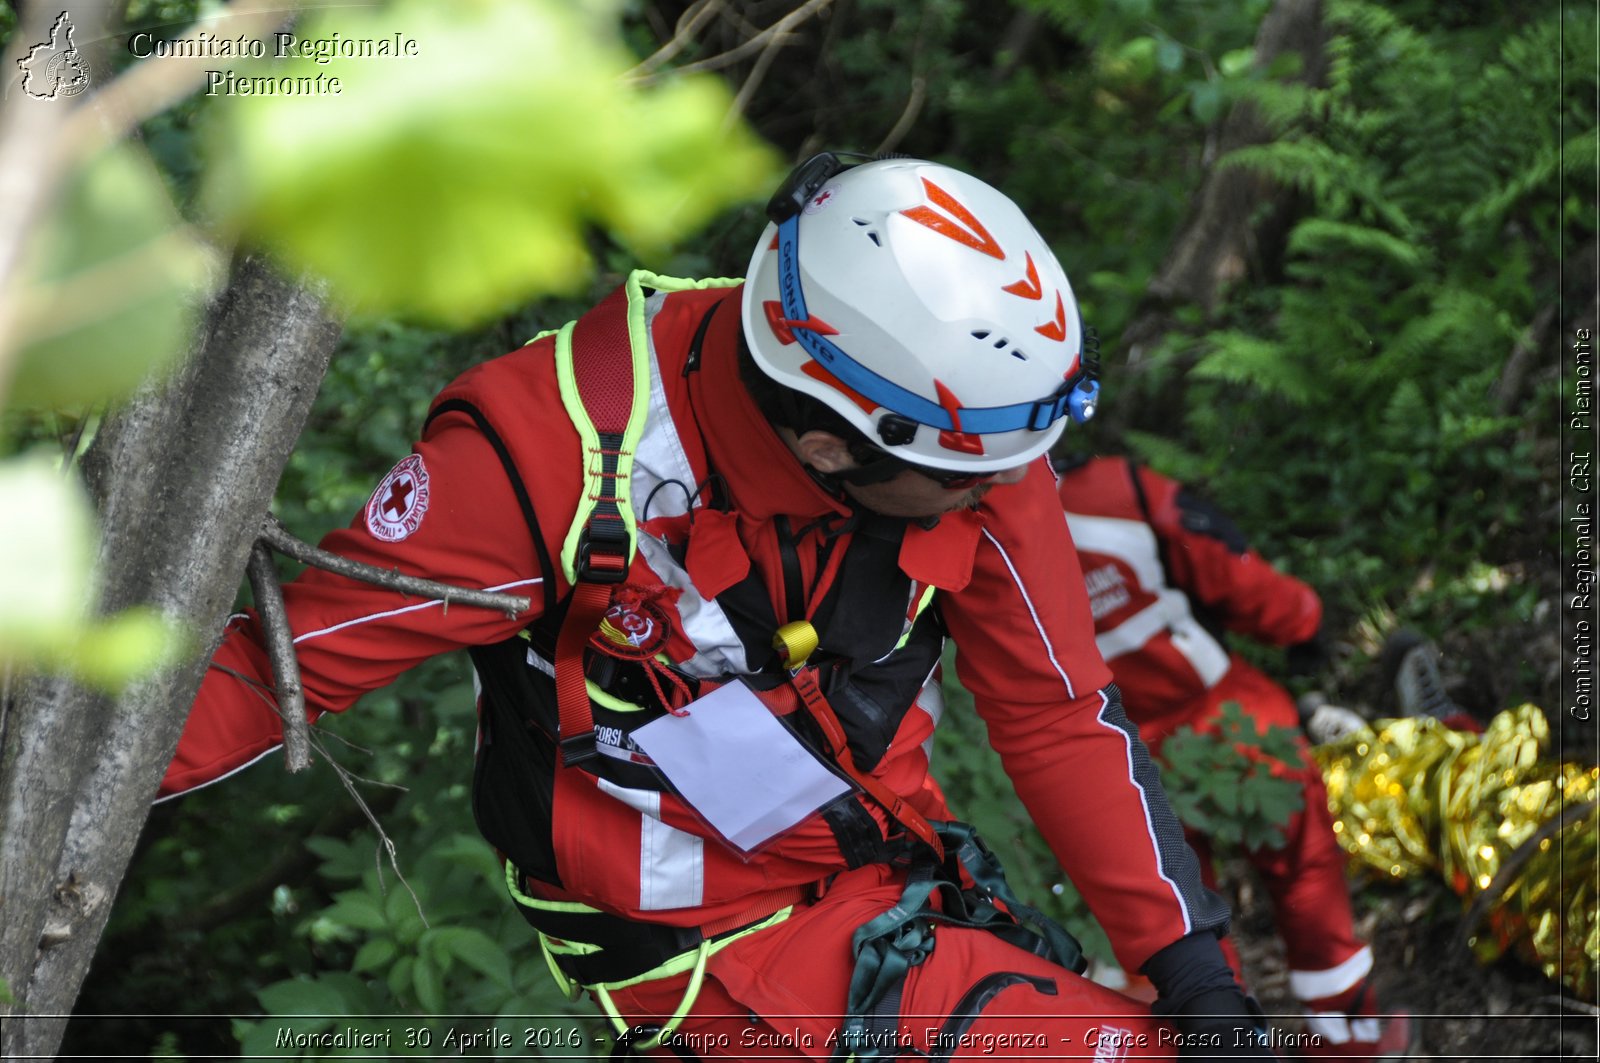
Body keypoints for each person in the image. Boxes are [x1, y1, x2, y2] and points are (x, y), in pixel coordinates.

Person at [162, 154, 1272, 1059]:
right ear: (828, 440)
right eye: (968, 482)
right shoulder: (546, 459)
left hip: (890, 884)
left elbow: (1056, 709)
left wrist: (1195, 973)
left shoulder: (965, 439)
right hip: (697, 951)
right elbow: (273, 671)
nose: (1010, 494)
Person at [1054, 454, 1414, 1059]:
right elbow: (1231, 570)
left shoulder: (975, 531)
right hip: (1225, 721)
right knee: (1304, 866)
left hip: (1111, 757)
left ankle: (1228, 1046)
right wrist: (1303, 622)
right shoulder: (1115, 490)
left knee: (1180, 917)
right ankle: (1349, 1037)